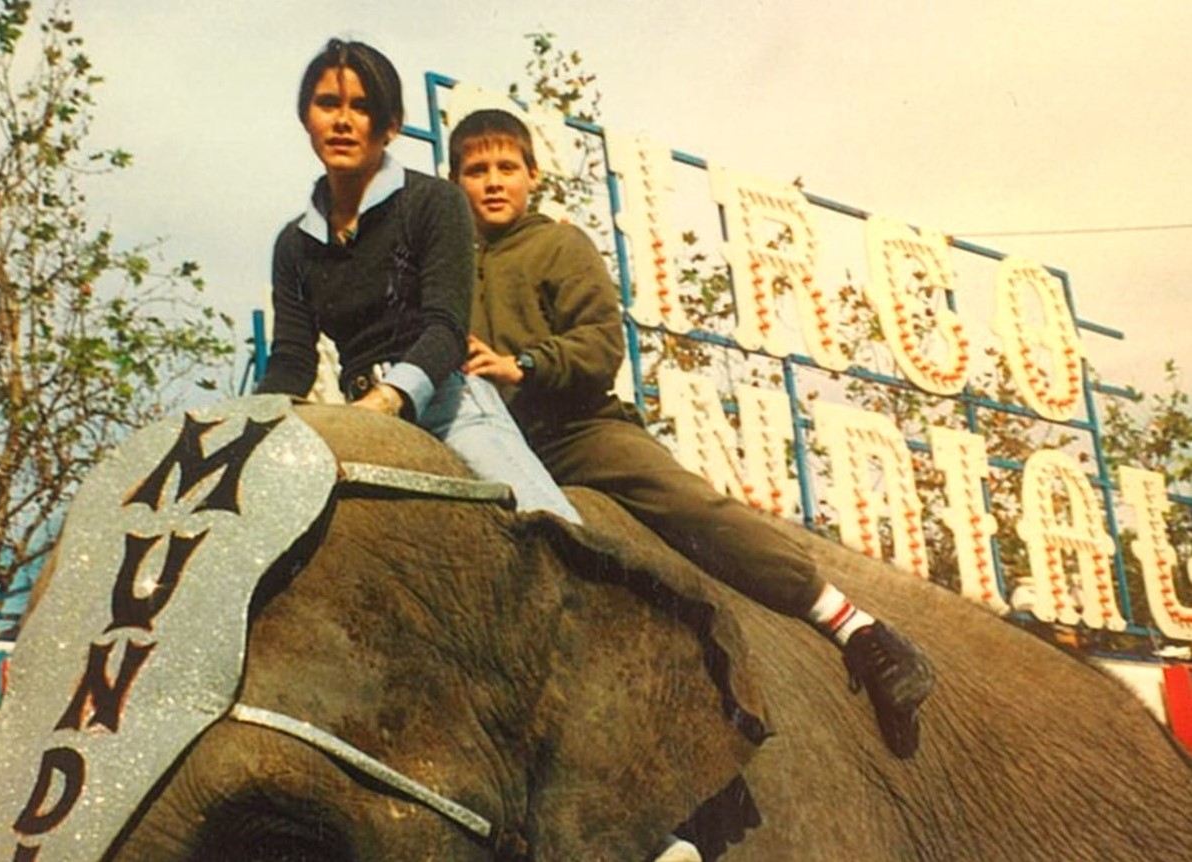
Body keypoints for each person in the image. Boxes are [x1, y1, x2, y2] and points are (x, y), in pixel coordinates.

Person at [451, 107, 936, 759]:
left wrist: (528, 364)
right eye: (476, 170)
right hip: (491, 439)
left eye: (507, 167)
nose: (493, 181)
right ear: (454, 182)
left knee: (690, 506)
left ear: (533, 175)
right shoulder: (448, 265)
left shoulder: (560, 246)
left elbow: (600, 344)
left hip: (575, 430)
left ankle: (854, 627)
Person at [255, 38, 579, 523]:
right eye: (328, 104)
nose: (343, 121)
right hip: (355, 413)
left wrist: (386, 401)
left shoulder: (434, 201)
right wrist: (248, 429)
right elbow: (291, 362)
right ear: (307, 118)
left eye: (362, 107)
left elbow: (446, 327)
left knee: (549, 525)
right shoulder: (293, 245)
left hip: (448, 408)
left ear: (390, 125)